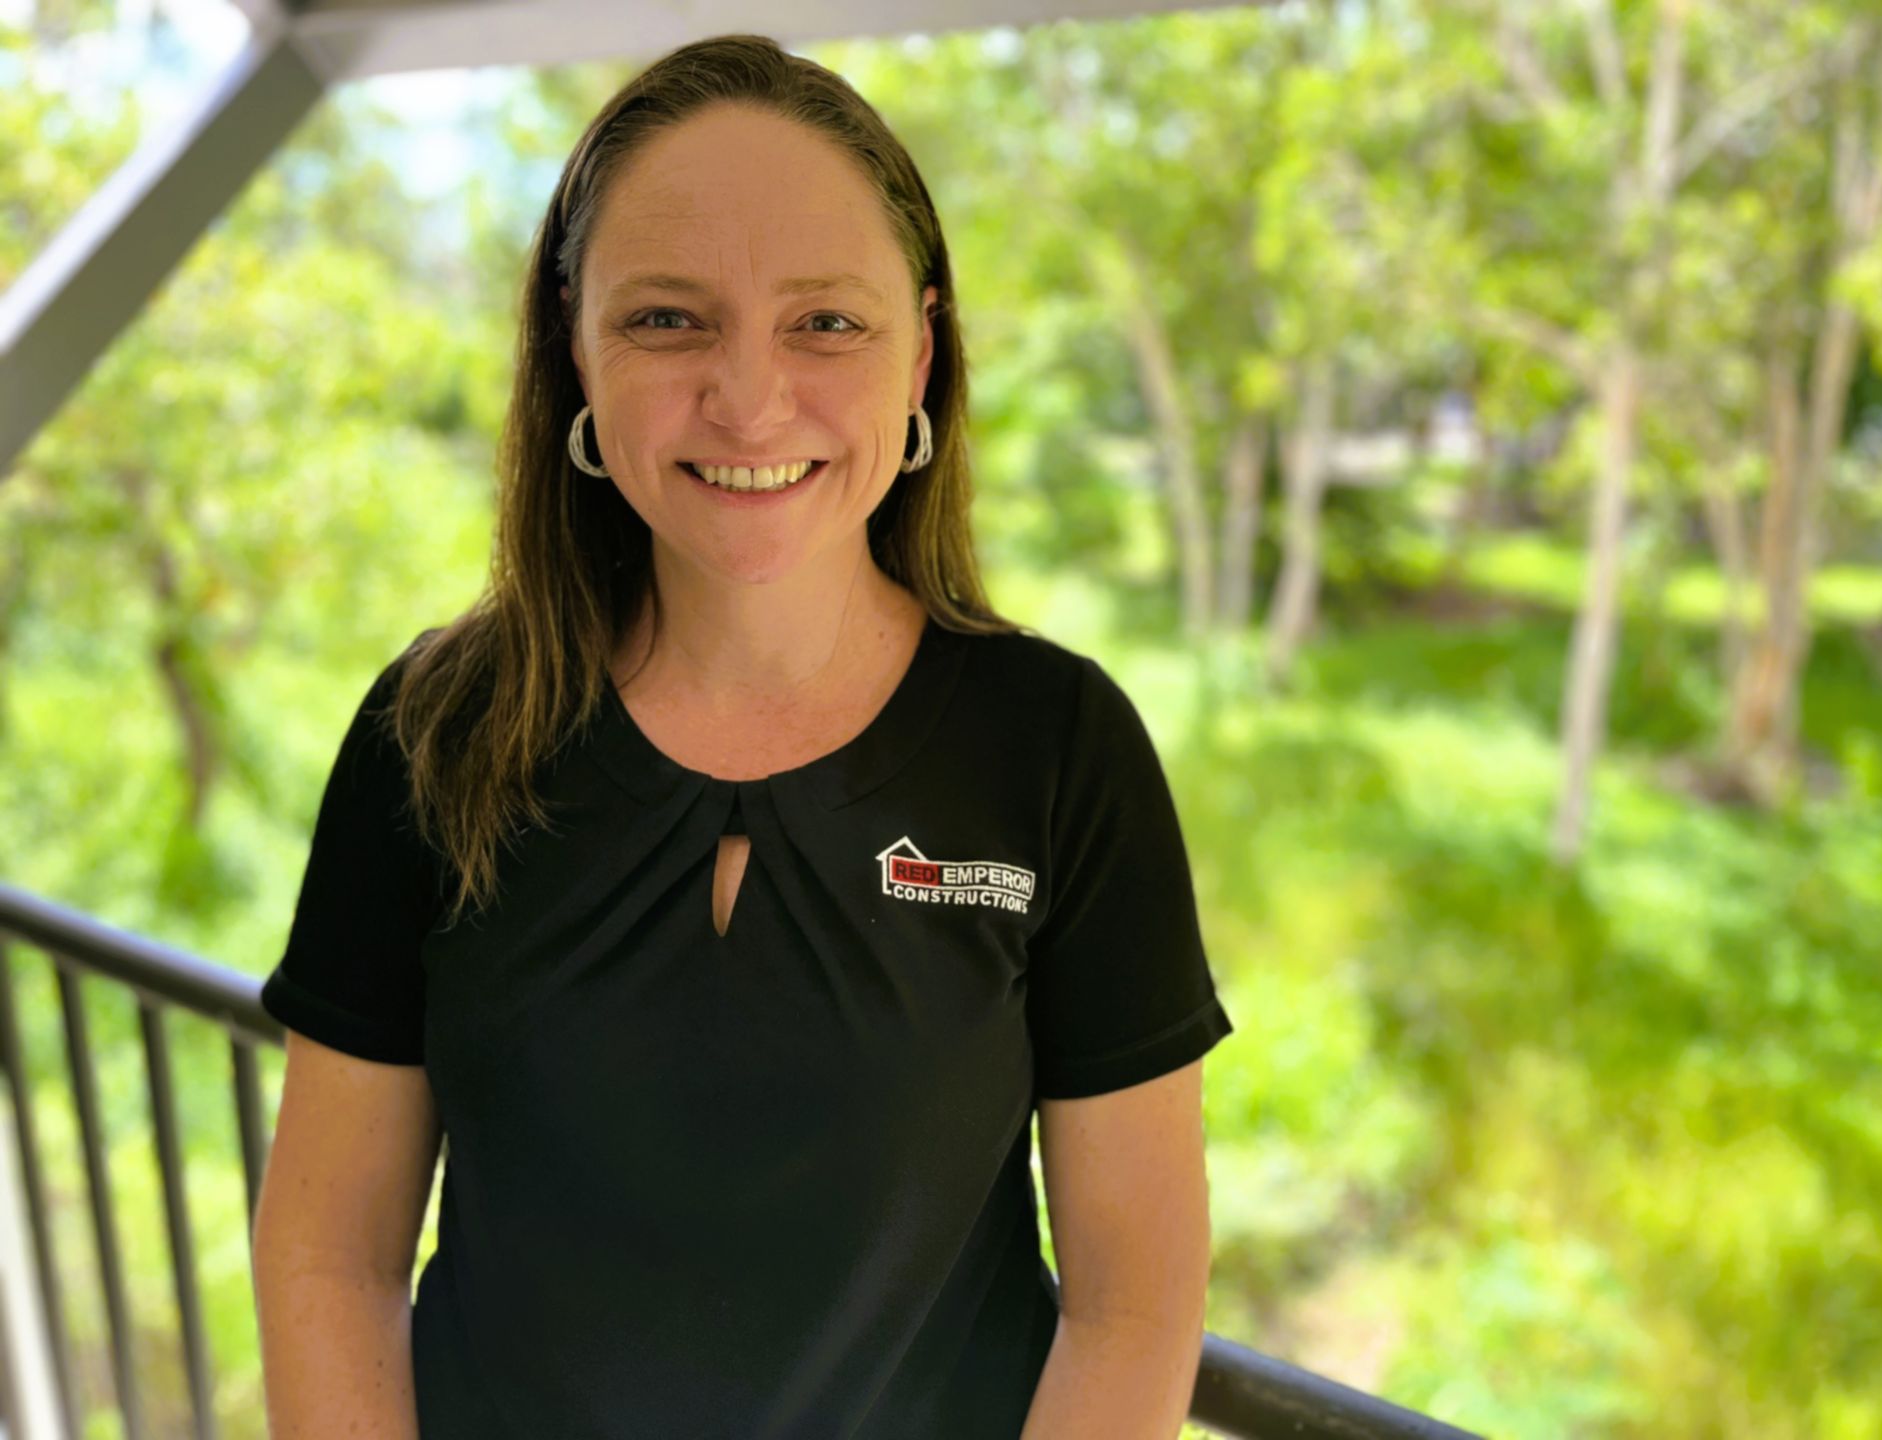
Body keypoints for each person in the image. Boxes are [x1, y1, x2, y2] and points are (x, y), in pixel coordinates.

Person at [250, 32, 1234, 1440]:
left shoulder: (1058, 749)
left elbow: (1133, 1304)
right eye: (668, 320)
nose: (753, 399)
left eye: (825, 323)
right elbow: (329, 1261)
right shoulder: (436, 735)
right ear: (572, 348)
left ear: (923, 357)